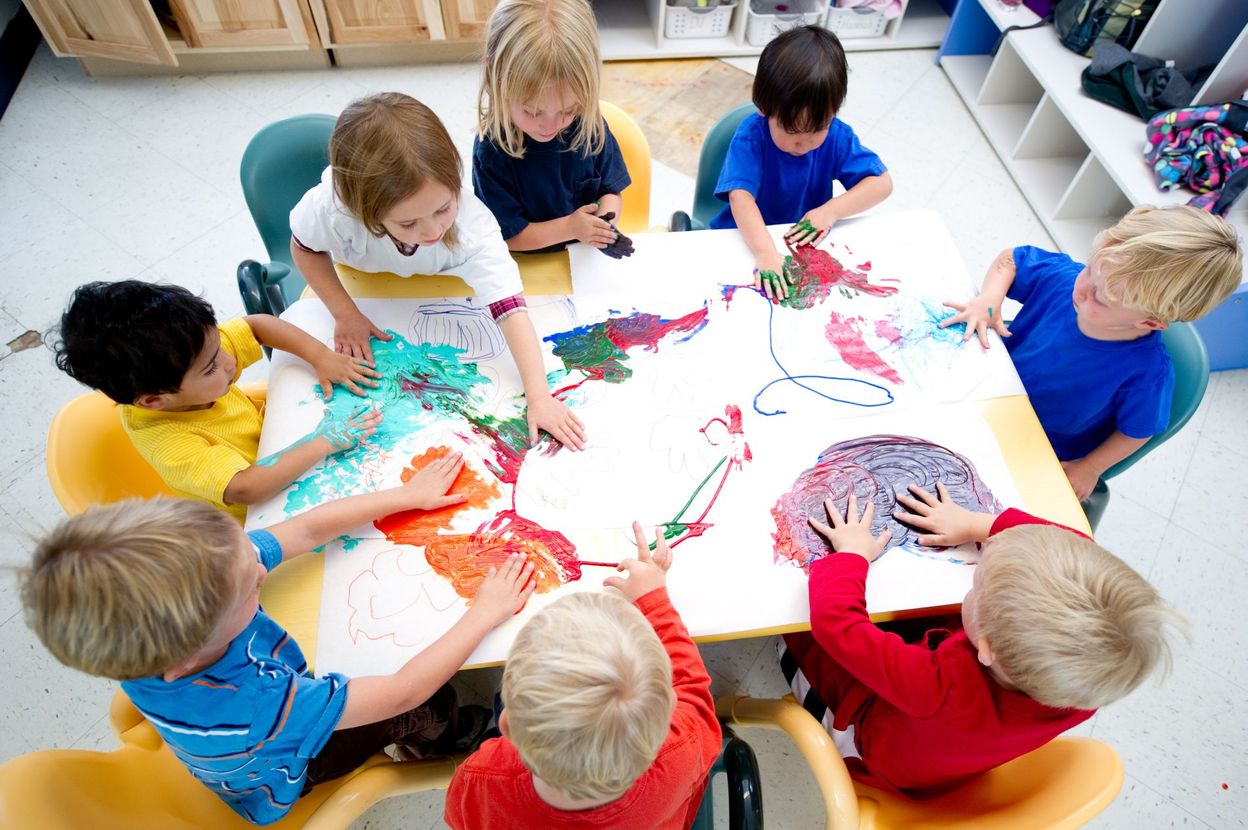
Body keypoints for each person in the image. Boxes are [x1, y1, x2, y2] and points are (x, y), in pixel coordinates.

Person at [20, 452, 536, 826]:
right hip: (282, 773)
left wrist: (407, 497)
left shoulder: (182, 600)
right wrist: (484, 612)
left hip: (226, 739)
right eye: (251, 587)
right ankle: (442, 737)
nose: (261, 568)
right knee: (428, 701)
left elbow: (307, 529)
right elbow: (404, 690)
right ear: (188, 655)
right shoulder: (259, 700)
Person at [780, 484, 1184, 794]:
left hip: (874, 747)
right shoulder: (1087, 687)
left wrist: (850, 556)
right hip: (950, 744)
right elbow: (1074, 547)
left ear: (985, 648)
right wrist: (981, 525)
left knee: (796, 630)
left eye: (976, 586)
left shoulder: (939, 685)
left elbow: (837, 626)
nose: (970, 587)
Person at [289, 92, 586, 450]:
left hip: (441, 285)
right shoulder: (332, 209)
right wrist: (345, 313)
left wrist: (539, 397)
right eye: (409, 222)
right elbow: (304, 248)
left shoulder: (473, 226)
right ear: (363, 212)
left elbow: (511, 310)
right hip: (361, 281)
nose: (432, 232)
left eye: (443, 209)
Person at [943, 205, 1242, 499]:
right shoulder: (1066, 279)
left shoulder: (1147, 375)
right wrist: (989, 300)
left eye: (1101, 296)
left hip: (1035, 448)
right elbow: (1011, 259)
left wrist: (1090, 466)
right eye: (1090, 269)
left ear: (1149, 322)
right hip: (986, 391)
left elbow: (1137, 431)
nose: (1083, 287)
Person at [443, 523, 721, 829]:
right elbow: (693, 688)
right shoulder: (681, 751)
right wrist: (654, 600)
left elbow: (460, 817)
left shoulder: (487, 778)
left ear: (506, 726)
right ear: (669, 708)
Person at [53, 280, 381, 522]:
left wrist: (320, 356)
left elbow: (256, 327)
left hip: (278, 442)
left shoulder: (190, 352)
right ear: (155, 400)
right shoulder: (172, 445)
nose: (228, 361)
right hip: (259, 512)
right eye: (211, 367)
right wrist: (324, 442)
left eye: (218, 348)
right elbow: (246, 488)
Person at [710, 25, 892, 300]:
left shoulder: (836, 136)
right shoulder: (751, 138)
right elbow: (741, 198)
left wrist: (830, 211)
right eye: (793, 131)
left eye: (818, 128)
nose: (805, 143)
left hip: (798, 240)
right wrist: (765, 252)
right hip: (744, 239)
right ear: (764, 108)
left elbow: (882, 184)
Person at [473, 0, 633, 258]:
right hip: (529, 265)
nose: (550, 126)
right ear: (495, 76)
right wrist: (571, 227)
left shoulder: (588, 124)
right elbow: (509, 235)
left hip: (584, 262)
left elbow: (610, 191)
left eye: (568, 110)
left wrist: (602, 226)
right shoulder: (492, 150)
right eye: (532, 111)